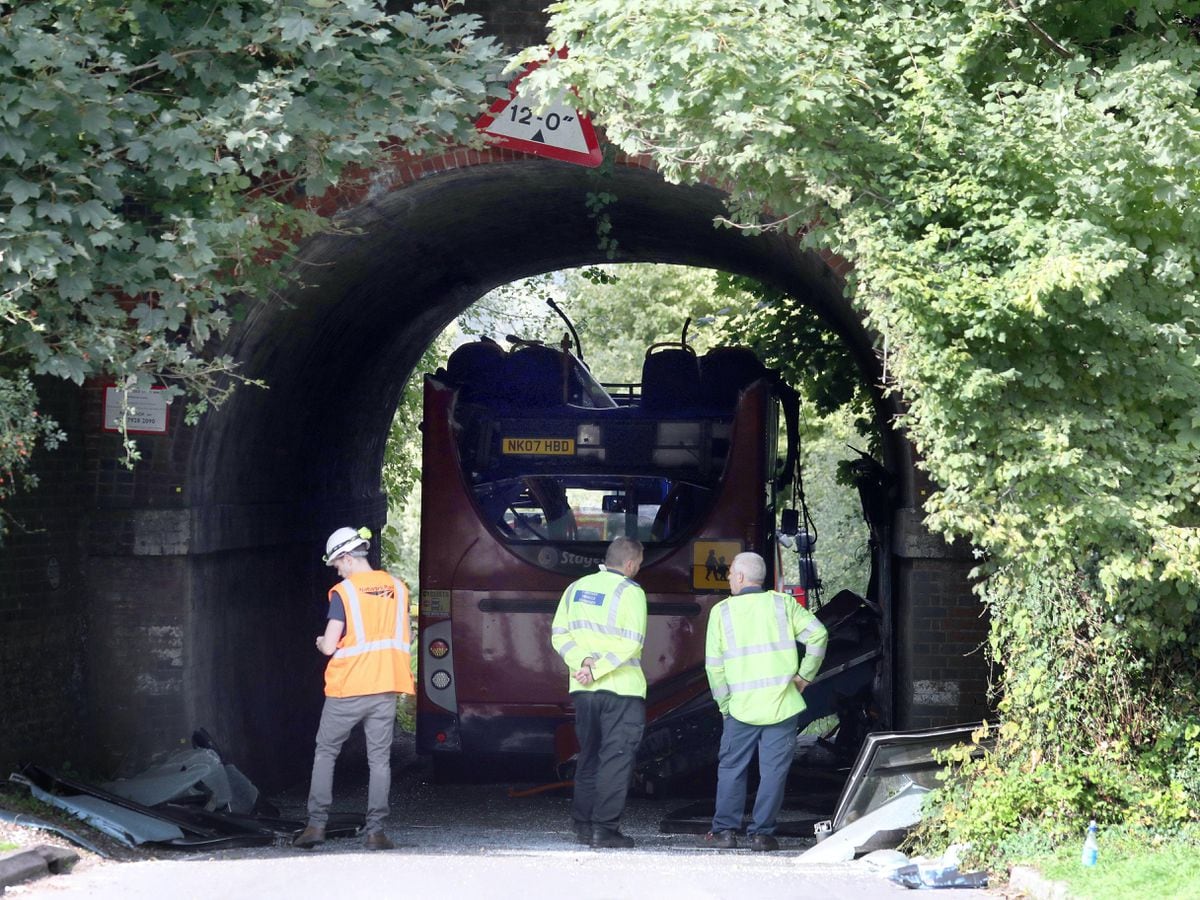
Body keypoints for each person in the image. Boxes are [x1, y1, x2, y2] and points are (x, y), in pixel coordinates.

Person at [698, 551, 828, 852]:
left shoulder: (722, 612)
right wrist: (804, 676)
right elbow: (818, 636)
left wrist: (725, 705)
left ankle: (725, 832)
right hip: (781, 705)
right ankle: (761, 835)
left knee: (732, 768)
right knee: (774, 772)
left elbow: (714, 667)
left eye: (731, 572)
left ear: (741, 577)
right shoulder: (783, 604)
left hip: (741, 708)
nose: (729, 576)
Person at [293, 526, 414, 851]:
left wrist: (321, 643)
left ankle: (316, 826)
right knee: (379, 761)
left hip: (348, 688)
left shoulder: (345, 593)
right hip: (386, 685)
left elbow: (331, 644)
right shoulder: (398, 589)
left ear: (347, 557)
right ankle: (375, 832)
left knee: (326, 752)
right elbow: (407, 636)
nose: (337, 570)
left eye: (337, 564)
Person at [550, 536, 647, 849]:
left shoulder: (575, 589)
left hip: (584, 689)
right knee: (615, 759)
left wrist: (583, 663)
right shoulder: (631, 592)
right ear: (631, 564)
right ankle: (604, 830)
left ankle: (583, 825)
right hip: (621, 690)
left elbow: (558, 634)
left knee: (589, 756)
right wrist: (598, 668)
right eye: (640, 564)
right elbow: (632, 641)